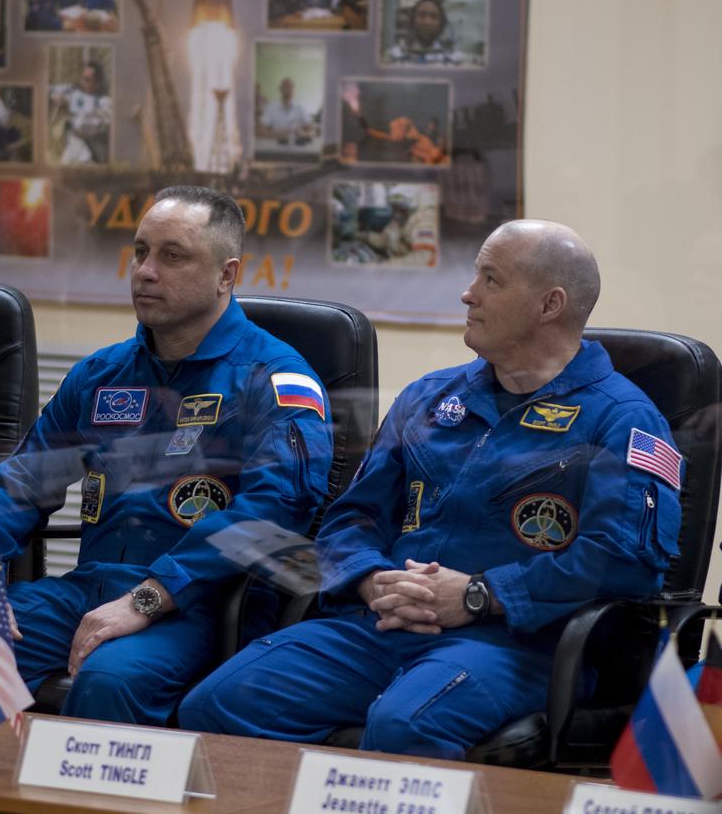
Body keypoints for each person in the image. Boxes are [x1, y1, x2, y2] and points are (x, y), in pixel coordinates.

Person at [181, 220, 682, 758]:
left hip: (518, 643)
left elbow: (625, 561)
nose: (468, 293)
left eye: (491, 279)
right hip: (384, 622)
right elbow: (352, 518)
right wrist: (371, 580)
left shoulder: (623, 418)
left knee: (405, 726)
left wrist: (480, 595)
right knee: (216, 704)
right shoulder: (429, 397)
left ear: (549, 304)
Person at [0, 187, 333, 725]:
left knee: (107, 681)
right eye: (140, 252)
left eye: (172, 256)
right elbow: (22, 481)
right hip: (91, 590)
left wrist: (149, 597)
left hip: (202, 604)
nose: (145, 272)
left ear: (227, 275)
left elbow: (276, 510)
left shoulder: (272, 378)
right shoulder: (101, 375)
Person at [50, 61, 113, 164]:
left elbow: (86, 125)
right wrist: (56, 97)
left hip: (92, 156)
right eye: (82, 78)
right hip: (73, 148)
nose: (82, 82)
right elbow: (50, 90)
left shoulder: (104, 102)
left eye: (87, 80)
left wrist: (71, 113)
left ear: (97, 83)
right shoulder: (74, 91)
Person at [387, 0, 465, 65]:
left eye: (433, 16)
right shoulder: (395, 55)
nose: (427, 22)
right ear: (412, 21)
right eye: (422, 15)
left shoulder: (454, 58)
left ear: (442, 24)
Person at [257, 77, 317, 149]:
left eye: (291, 87)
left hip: (298, 148)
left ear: (294, 90)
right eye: (285, 86)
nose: (288, 89)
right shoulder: (271, 107)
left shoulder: (300, 108)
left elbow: (313, 130)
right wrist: (281, 133)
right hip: (276, 147)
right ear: (280, 89)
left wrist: (305, 134)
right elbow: (260, 131)